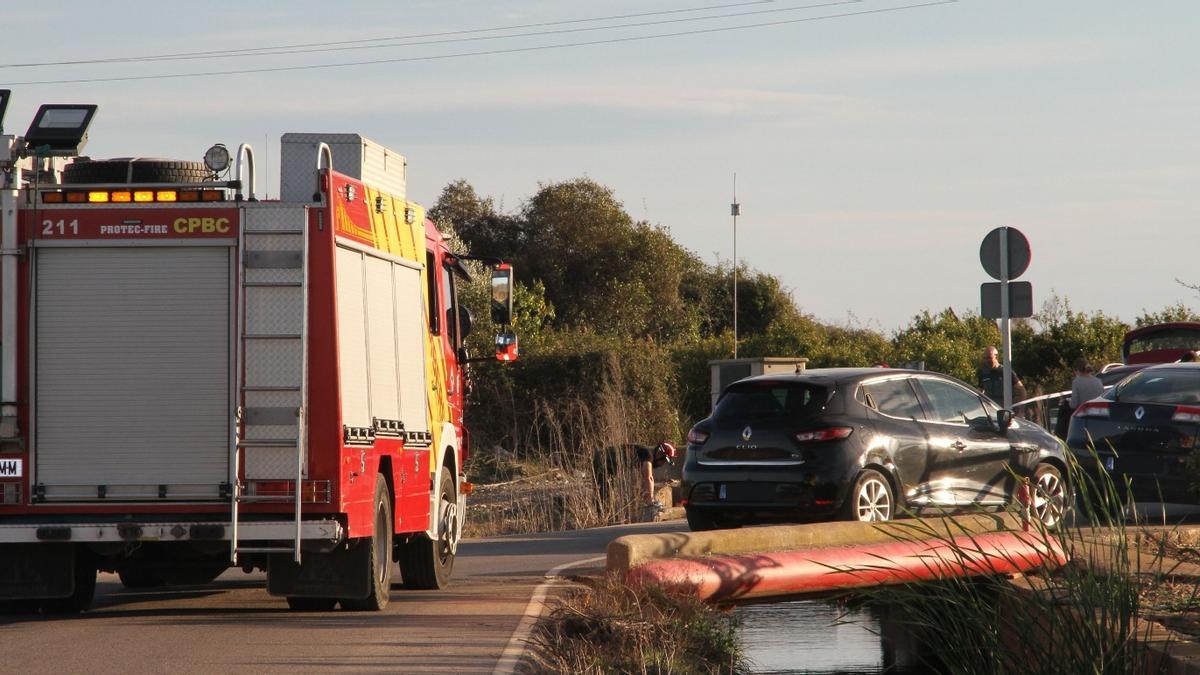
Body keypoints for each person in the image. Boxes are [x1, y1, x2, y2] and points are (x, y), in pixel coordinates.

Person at [636, 441, 677, 511]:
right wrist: (651, 501)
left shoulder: (644, 454)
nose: (662, 464)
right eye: (664, 461)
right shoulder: (647, 455)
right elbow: (649, 478)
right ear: (659, 454)